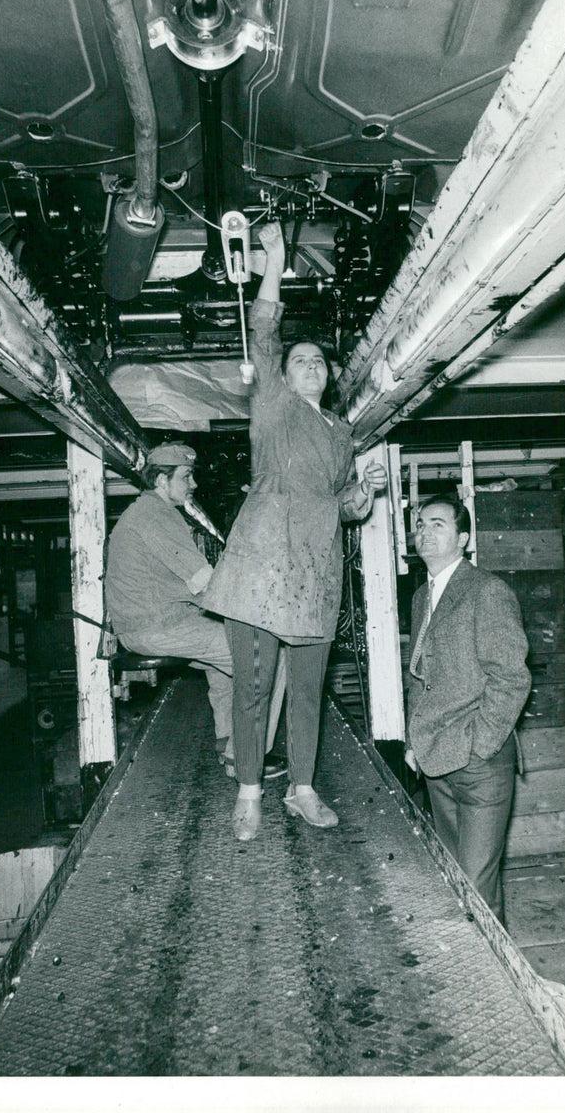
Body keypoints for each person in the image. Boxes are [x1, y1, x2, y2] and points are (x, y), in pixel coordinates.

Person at [202, 222, 387, 841]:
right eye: (299, 361)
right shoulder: (274, 408)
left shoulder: (341, 431)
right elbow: (263, 332)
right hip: (260, 569)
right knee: (254, 689)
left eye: (318, 362)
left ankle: (301, 790)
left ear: (330, 376)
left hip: (314, 572)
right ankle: (251, 793)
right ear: (284, 376)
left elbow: (344, 507)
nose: (310, 366)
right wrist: (275, 263)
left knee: (308, 693)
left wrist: (360, 496)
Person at [405, 496, 531, 922]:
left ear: (462, 538)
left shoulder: (487, 591)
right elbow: (419, 675)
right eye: (420, 524)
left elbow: (512, 677)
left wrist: (481, 744)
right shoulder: (422, 596)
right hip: (436, 758)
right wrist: (413, 740)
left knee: (477, 887)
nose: (424, 531)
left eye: (437, 524)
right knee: (455, 878)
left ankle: (497, 984)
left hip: (479, 763)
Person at [105, 444, 237, 770]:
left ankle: (228, 740)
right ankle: (245, 755)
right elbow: (204, 580)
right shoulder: (157, 516)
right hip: (157, 627)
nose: (194, 485)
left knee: (222, 664)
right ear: (162, 481)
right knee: (257, 655)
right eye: (187, 476)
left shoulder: (144, 512)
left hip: (151, 623)